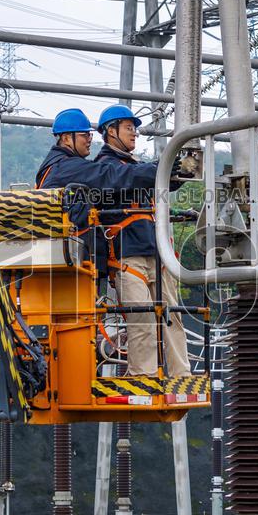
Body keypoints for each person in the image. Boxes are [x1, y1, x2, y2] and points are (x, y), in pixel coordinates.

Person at [94, 104, 191, 378]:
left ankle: (180, 374)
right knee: (142, 321)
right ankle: (143, 376)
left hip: (155, 255)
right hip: (128, 257)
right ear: (110, 132)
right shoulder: (105, 169)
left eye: (134, 129)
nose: (134, 134)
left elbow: (158, 179)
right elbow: (136, 177)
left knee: (172, 316)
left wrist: (182, 170)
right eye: (128, 128)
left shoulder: (134, 167)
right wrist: (167, 166)